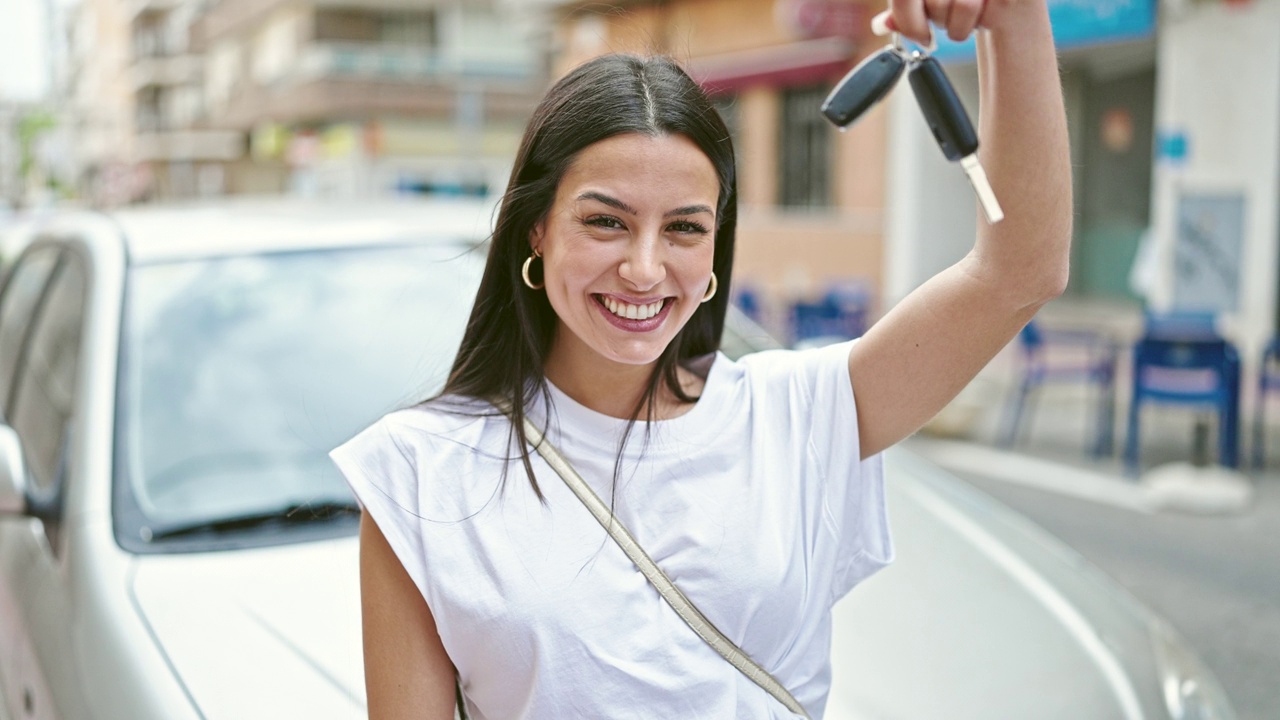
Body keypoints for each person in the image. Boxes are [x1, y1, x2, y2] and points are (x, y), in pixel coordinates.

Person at [330, 0, 1071, 716]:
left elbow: (1019, 272)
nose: (645, 269)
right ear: (536, 230)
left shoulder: (795, 416)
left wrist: (1014, 16)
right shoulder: (418, 473)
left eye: (684, 228)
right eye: (605, 222)